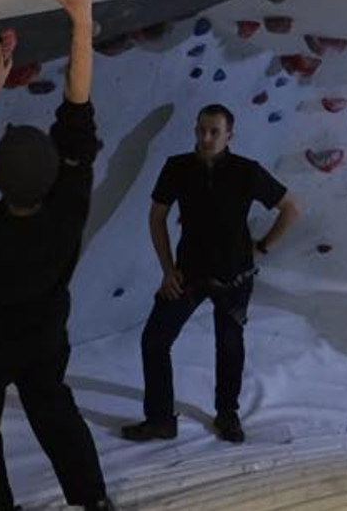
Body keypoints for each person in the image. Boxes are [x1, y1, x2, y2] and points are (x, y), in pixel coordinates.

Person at [0, 0, 118, 511]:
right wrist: (82, 18)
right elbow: (77, 108)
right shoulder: (67, 210)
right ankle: (94, 502)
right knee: (56, 415)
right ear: (52, 176)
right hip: (42, 342)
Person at [119, 104, 302, 444]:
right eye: (201, 130)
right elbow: (157, 217)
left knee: (229, 345)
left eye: (214, 131)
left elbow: (291, 208)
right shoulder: (178, 167)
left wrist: (262, 247)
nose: (206, 137)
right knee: (155, 340)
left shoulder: (247, 171)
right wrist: (167, 269)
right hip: (187, 273)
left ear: (229, 135)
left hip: (235, 277)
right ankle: (160, 419)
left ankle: (227, 414)